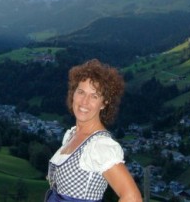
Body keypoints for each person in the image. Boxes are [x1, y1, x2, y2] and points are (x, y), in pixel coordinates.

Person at [46, 59, 142, 202]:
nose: (84, 101)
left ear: (104, 103)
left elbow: (132, 197)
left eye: (94, 96)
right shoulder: (71, 135)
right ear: (73, 94)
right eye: (81, 92)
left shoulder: (100, 146)